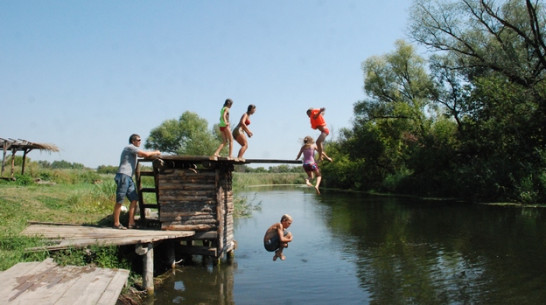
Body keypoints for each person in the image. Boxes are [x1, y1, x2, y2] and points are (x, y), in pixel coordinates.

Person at [113, 134, 161, 230]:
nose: (140, 142)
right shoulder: (130, 147)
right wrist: (156, 152)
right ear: (133, 141)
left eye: (140, 140)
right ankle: (116, 223)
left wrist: (153, 154)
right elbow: (145, 154)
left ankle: (131, 222)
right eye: (138, 140)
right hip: (123, 175)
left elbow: (141, 155)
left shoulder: (133, 150)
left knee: (134, 199)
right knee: (120, 200)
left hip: (128, 177)